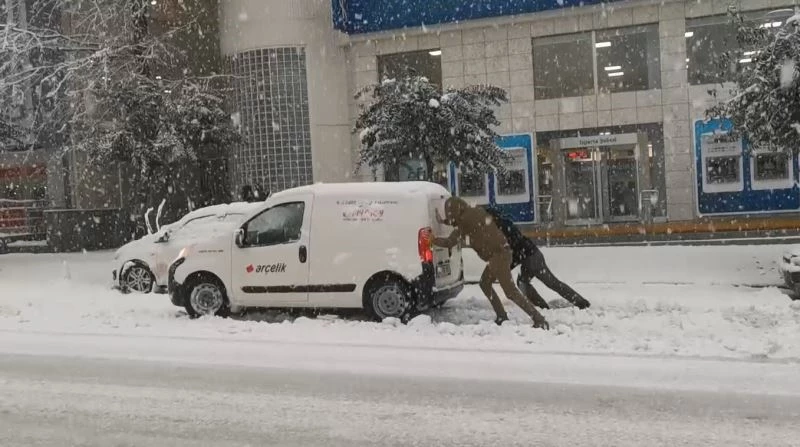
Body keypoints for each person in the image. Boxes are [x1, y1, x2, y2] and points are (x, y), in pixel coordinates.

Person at [433, 197, 549, 330]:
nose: (450, 216)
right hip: (500, 252)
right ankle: (501, 316)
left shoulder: (464, 223)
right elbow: (458, 221)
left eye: (449, 213)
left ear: (454, 211)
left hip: (498, 256)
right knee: (485, 283)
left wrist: (433, 240)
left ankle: (538, 318)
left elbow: (449, 242)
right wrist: (443, 221)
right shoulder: (473, 211)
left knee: (510, 292)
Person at [484, 205, 591, 313]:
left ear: (491, 217)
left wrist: (507, 266)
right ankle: (543, 306)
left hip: (531, 258)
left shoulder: (501, 228)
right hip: (528, 257)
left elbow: (513, 249)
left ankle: (580, 303)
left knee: (551, 283)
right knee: (523, 282)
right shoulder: (502, 225)